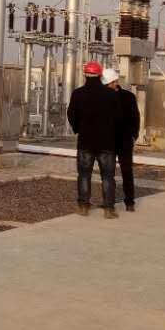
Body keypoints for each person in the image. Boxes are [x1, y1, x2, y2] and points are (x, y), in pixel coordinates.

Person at [67, 60, 118, 218]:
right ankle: (109, 209)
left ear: (85, 75)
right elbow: (119, 118)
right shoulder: (111, 95)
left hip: (85, 142)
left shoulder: (78, 94)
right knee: (108, 177)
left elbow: (71, 114)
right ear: (100, 75)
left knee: (84, 175)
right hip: (107, 143)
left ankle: (83, 206)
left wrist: (78, 129)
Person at [104, 68, 140, 211]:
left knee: (126, 171)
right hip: (109, 140)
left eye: (108, 84)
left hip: (124, 140)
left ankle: (129, 202)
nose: (107, 86)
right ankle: (109, 202)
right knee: (109, 173)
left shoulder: (128, 97)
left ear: (114, 82)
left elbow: (136, 117)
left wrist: (134, 136)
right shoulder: (104, 97)